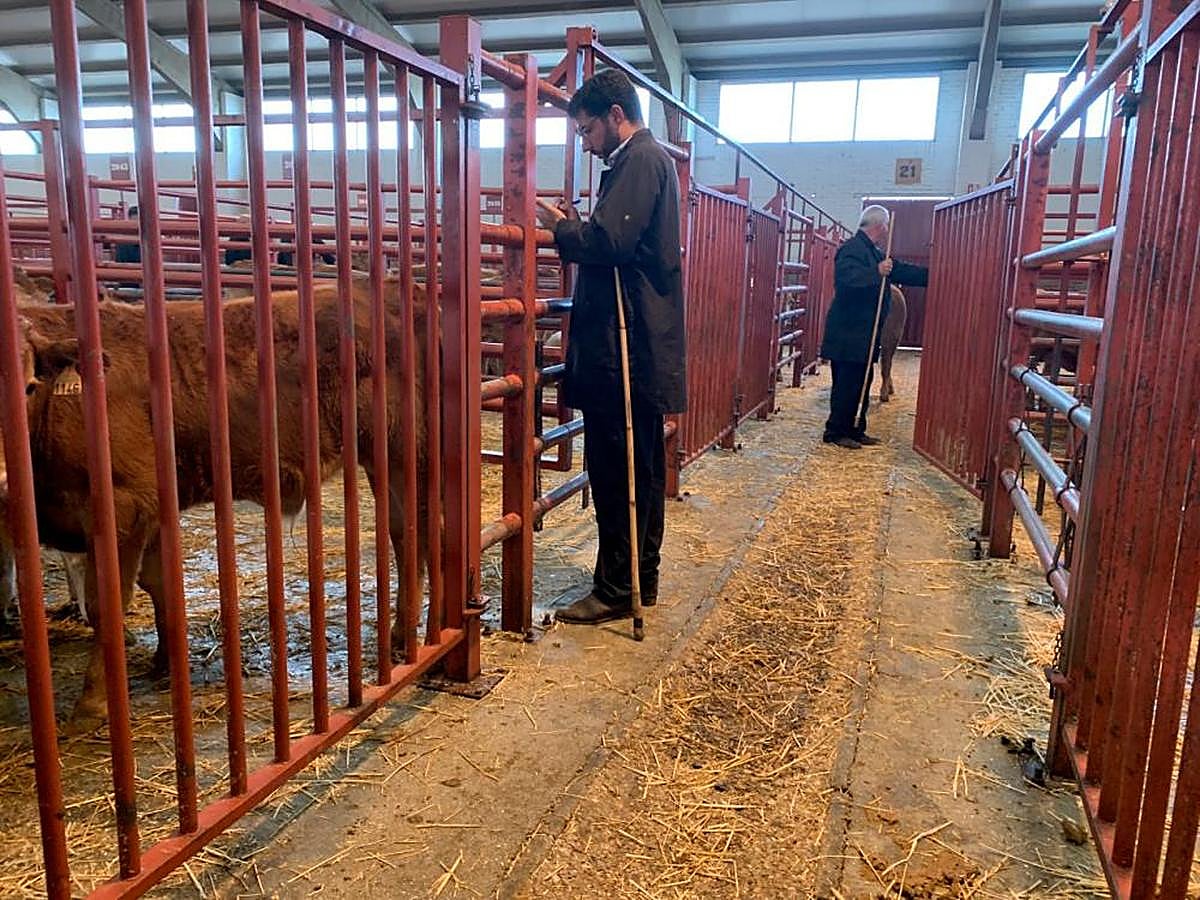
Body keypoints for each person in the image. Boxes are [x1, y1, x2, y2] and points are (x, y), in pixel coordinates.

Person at [534, 69, 685, 625]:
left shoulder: (639, 161)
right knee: (637, 468)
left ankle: (619, 588)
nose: (584, 141)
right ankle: (638, 577)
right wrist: (579, 226)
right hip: (638, 344)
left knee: (619, 468)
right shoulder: (641, 161)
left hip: (627, 348)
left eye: (587, 129)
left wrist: (562, 230)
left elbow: (613, 242)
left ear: (616, 116)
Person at [820, 205, 928, 449]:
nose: (887, 230)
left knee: (863, 381)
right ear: (879, 225)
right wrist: (876, 272)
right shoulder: (851, 250)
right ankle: (835, 431)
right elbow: (847, 281)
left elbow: (899, 269)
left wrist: (933, 276)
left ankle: (856, 429)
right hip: (848, 331)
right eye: (886, 226)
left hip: (864, 333)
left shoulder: (875, 252)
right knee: (846, 383)